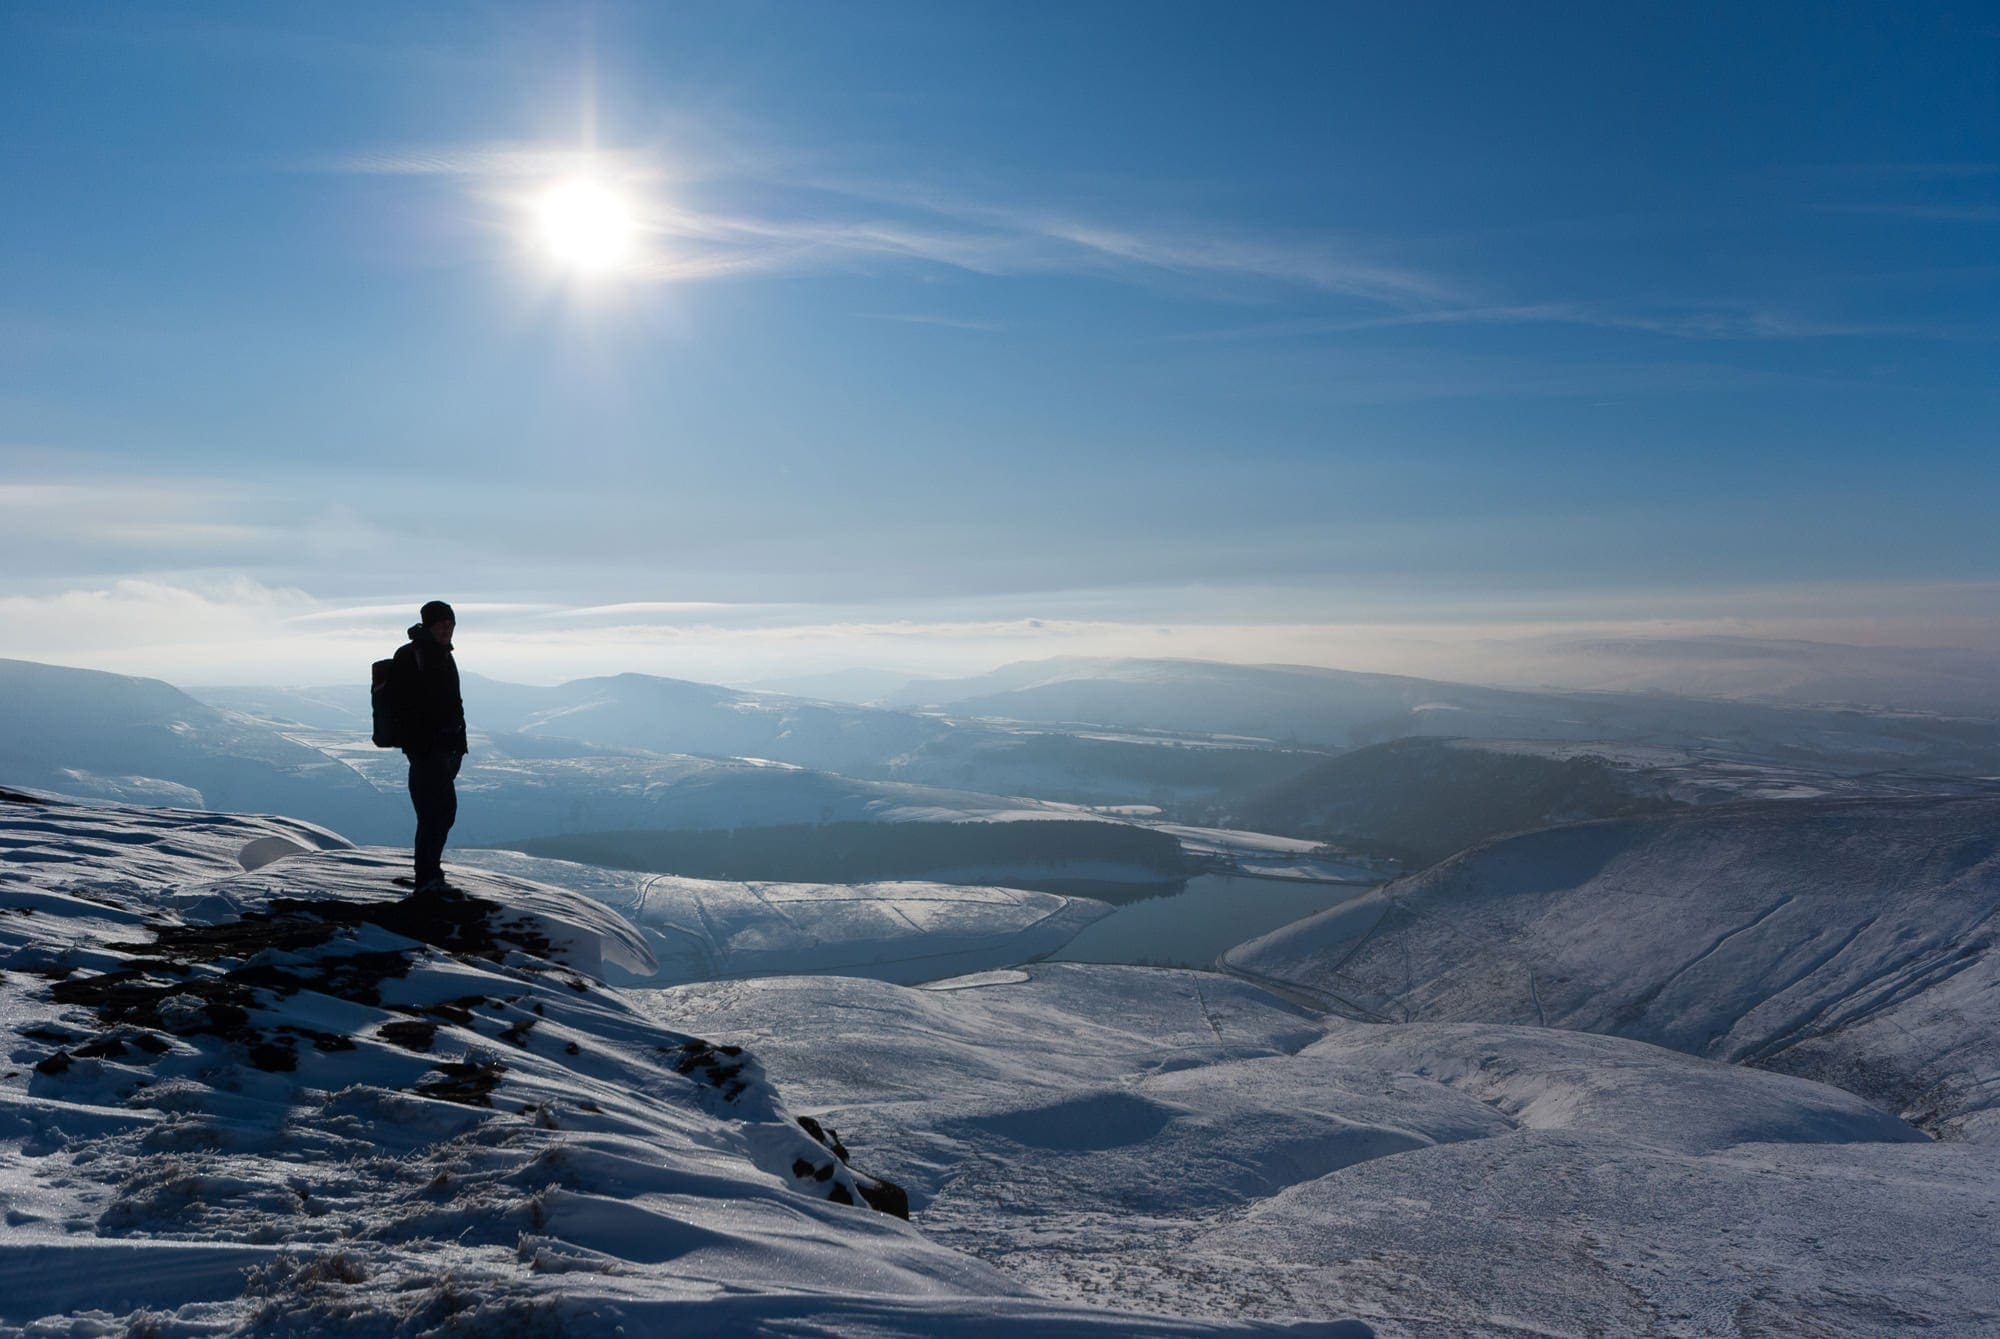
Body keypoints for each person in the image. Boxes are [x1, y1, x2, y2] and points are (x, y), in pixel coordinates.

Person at [393, 600, 468, 894]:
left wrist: (458, 745)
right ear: (429, 624)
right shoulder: (412, 655)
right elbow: (407, 705)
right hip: (427, 751)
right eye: (442, 623)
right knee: (437, 813)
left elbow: (452, 705)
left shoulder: (440, 655)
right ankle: (427, 877)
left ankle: (429, 873)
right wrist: (425, 740)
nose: (447, 629)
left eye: (451, 624)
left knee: (439, 813)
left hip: (445, 750)